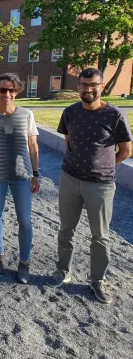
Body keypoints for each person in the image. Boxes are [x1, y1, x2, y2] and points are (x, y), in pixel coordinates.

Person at [50, 68, 132, 304]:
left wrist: (104, 165)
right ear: (78, 87)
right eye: (84, 84)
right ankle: (63, 271)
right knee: (66, 229)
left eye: (93, 85)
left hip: (101, 185)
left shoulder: (115, 115)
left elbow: (126, 151)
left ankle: (98, 280)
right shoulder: (70, 112)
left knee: (100, 236)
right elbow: (69, 143)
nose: (88, 89)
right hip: (70, 179)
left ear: (101, 87)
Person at [0, 73, 40, 284]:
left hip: (21, 175)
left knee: (25, 219)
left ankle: (24, 262)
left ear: (17, 92)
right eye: (3, 90)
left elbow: (33, 146)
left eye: (11, 90)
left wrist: (35, 174)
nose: (7, 94)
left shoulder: (27, 115)